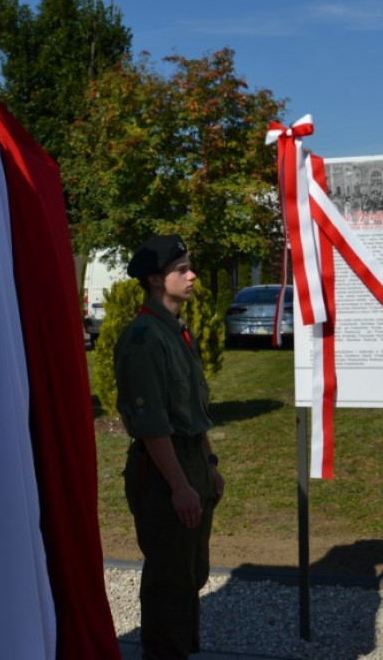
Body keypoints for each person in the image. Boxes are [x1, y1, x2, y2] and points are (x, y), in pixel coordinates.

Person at [115, 234, 225, 660]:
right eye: (182, 269)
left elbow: (192, 410)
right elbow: (152, 425)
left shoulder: (177, 331)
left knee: (191, 571)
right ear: (157, 279)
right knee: (170, 579)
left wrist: (209, 464)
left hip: (191, 458)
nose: (192, 275)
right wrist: (180, 486)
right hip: (165, 470)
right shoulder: (144, 338)